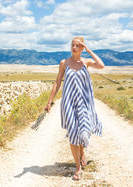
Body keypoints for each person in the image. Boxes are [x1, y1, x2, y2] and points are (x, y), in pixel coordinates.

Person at [45, 36, 104, 181]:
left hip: (85, 103)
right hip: (69, 104)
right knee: (73, 134)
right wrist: (50, 101)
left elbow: (101, 65)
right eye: (73, 45)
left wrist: (88, 49)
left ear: (82, 48)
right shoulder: (64, 63)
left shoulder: (86, 62)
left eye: (78, 45)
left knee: (84, 131)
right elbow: (57, 82)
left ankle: (82, 152)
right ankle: (78, 168)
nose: (75, 48)